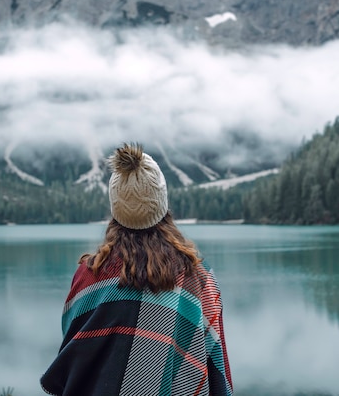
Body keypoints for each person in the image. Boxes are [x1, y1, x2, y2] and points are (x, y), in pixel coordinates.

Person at [40, 143, 232, 396]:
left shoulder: (88, 274)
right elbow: (213, 355)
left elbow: (73, 348)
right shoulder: (196, 276)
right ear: (162, 204)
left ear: (115, 209)